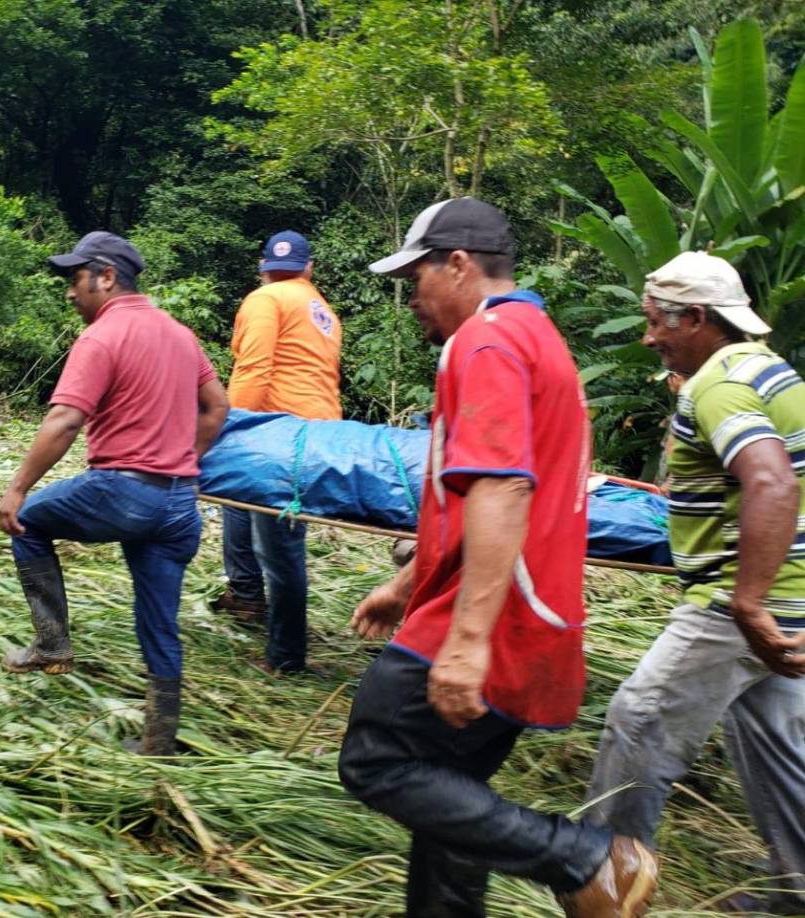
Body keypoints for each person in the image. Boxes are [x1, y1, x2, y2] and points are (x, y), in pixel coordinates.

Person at [337, 197, 658, 917]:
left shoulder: (485, 342)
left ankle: (588, 860)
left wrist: (467, 641)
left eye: (415, 277)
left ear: (457, 265)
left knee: (376, 758)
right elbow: (485, 497)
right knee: (449, 808)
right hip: (536, 615)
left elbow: (504, 487)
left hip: (495, 619)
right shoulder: (537, 336)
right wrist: (404, 583)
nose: (411, 298)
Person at [586, 251, 805, 915]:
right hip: (794, 601)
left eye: (657, 322)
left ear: (698, 318)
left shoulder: (717, 383)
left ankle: (603, 885)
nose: (649, 336)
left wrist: (746, 603)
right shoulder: (774, 372)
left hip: (733, 608)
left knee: (639, 721)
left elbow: (771, 479)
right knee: (777, 749)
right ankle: (796, 895)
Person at [0, 231, 229, 756]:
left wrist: (17, 488)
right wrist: (183, 460)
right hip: (178, 507)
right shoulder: (179, 333)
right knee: (159, 621)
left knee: (29, 521)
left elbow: (65, 419)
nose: (69, 292)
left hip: (122, 493)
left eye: (76, 279)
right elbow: (218, 406)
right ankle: (160, 739)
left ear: (106, 277)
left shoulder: (101, 336)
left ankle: (51, 644)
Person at [213, 230, 342, 674]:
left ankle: (286, 656)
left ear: (263, 268)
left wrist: (230, 431)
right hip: (318, 431)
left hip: (277, 436)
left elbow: (253, 369)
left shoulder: (264, 299)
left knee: (279, 545)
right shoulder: (322, 310)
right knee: (236, 501)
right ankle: (245, 596)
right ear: (309, 269)